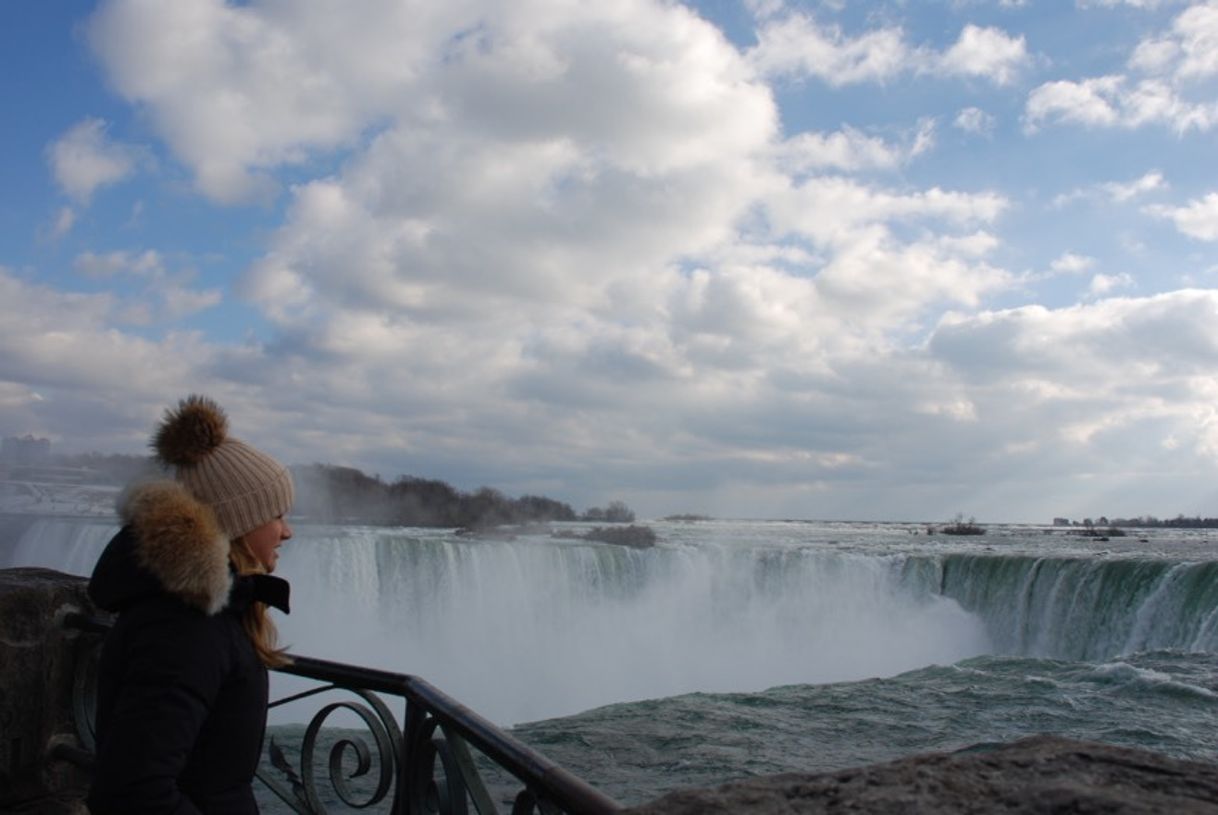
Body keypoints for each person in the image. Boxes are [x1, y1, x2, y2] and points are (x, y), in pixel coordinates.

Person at [87, 394, 295, 815]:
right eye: (277, 515)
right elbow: (132, 792)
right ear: (239, 522)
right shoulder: (186, 627)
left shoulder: (204, 609)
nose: (286, 531)